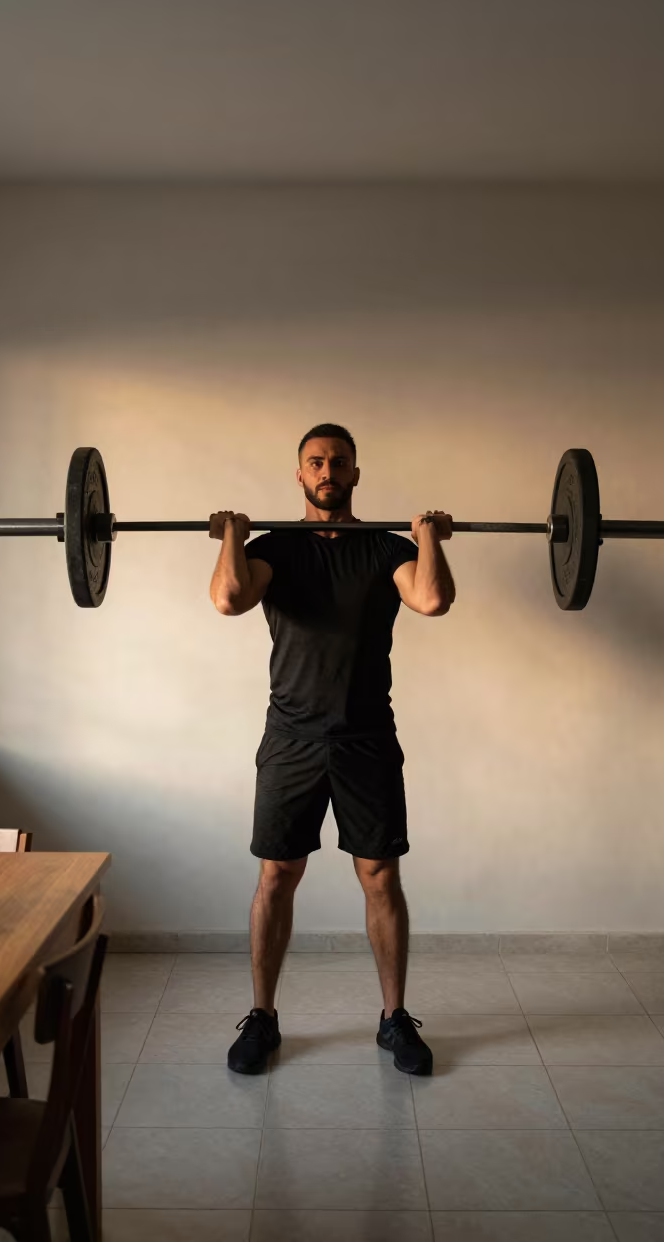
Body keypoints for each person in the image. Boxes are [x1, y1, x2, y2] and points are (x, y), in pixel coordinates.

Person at [209, 424, 455, 1076]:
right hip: (290, 738)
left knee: (380, 877)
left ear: (354, 473)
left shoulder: (383, 549)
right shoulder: (273, 549)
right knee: (277, 876)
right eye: (315, 461)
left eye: (337, 461)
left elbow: (432, 598)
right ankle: (262, 1017)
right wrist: (232, 534)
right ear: (299, 475)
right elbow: (229, 598)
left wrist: (427, 537)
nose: (326, 470)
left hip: (367, 739)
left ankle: (394, 1019)